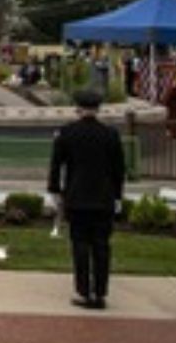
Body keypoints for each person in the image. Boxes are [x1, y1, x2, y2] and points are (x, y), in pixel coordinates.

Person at [48, 89, 125, 310]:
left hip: (77, 196)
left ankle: (83, 292)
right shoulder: (111, 134)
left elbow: (56, 165)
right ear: (99, 108)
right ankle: (100, 293)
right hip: (104, 197)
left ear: (78, 108)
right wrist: (118, 195)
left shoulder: (66, 133)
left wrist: (54, 191)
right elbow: (118, 169)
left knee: (80, 245)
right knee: (102, 246)